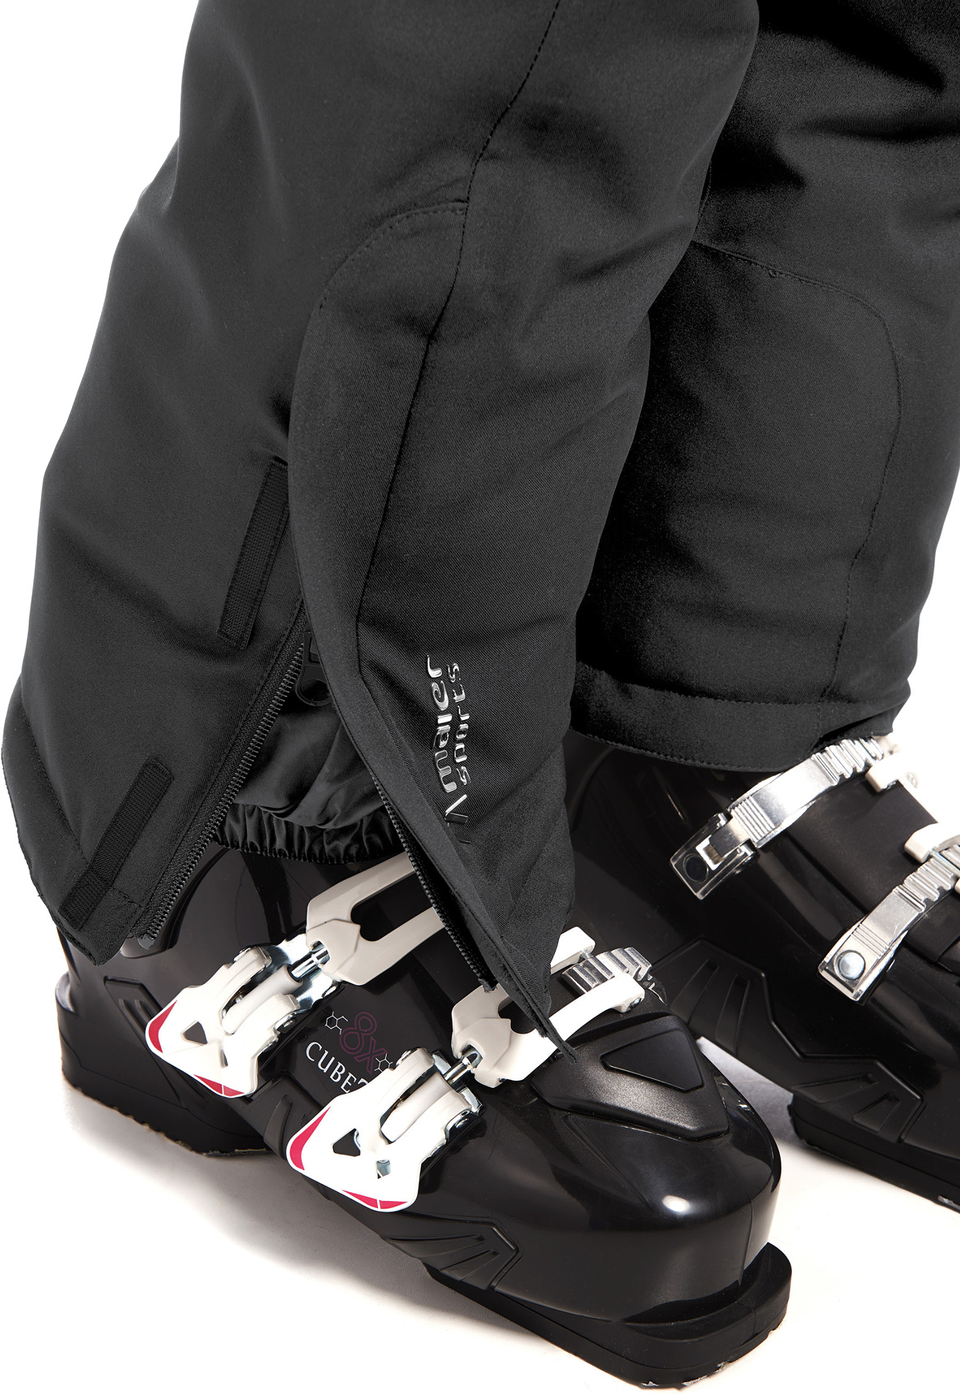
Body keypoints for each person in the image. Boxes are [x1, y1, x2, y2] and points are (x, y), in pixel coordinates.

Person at [5, 1, 959, 1384]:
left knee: (871, 37)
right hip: (225, 767)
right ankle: (214, 813)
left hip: (679, 685)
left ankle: (690, 710)